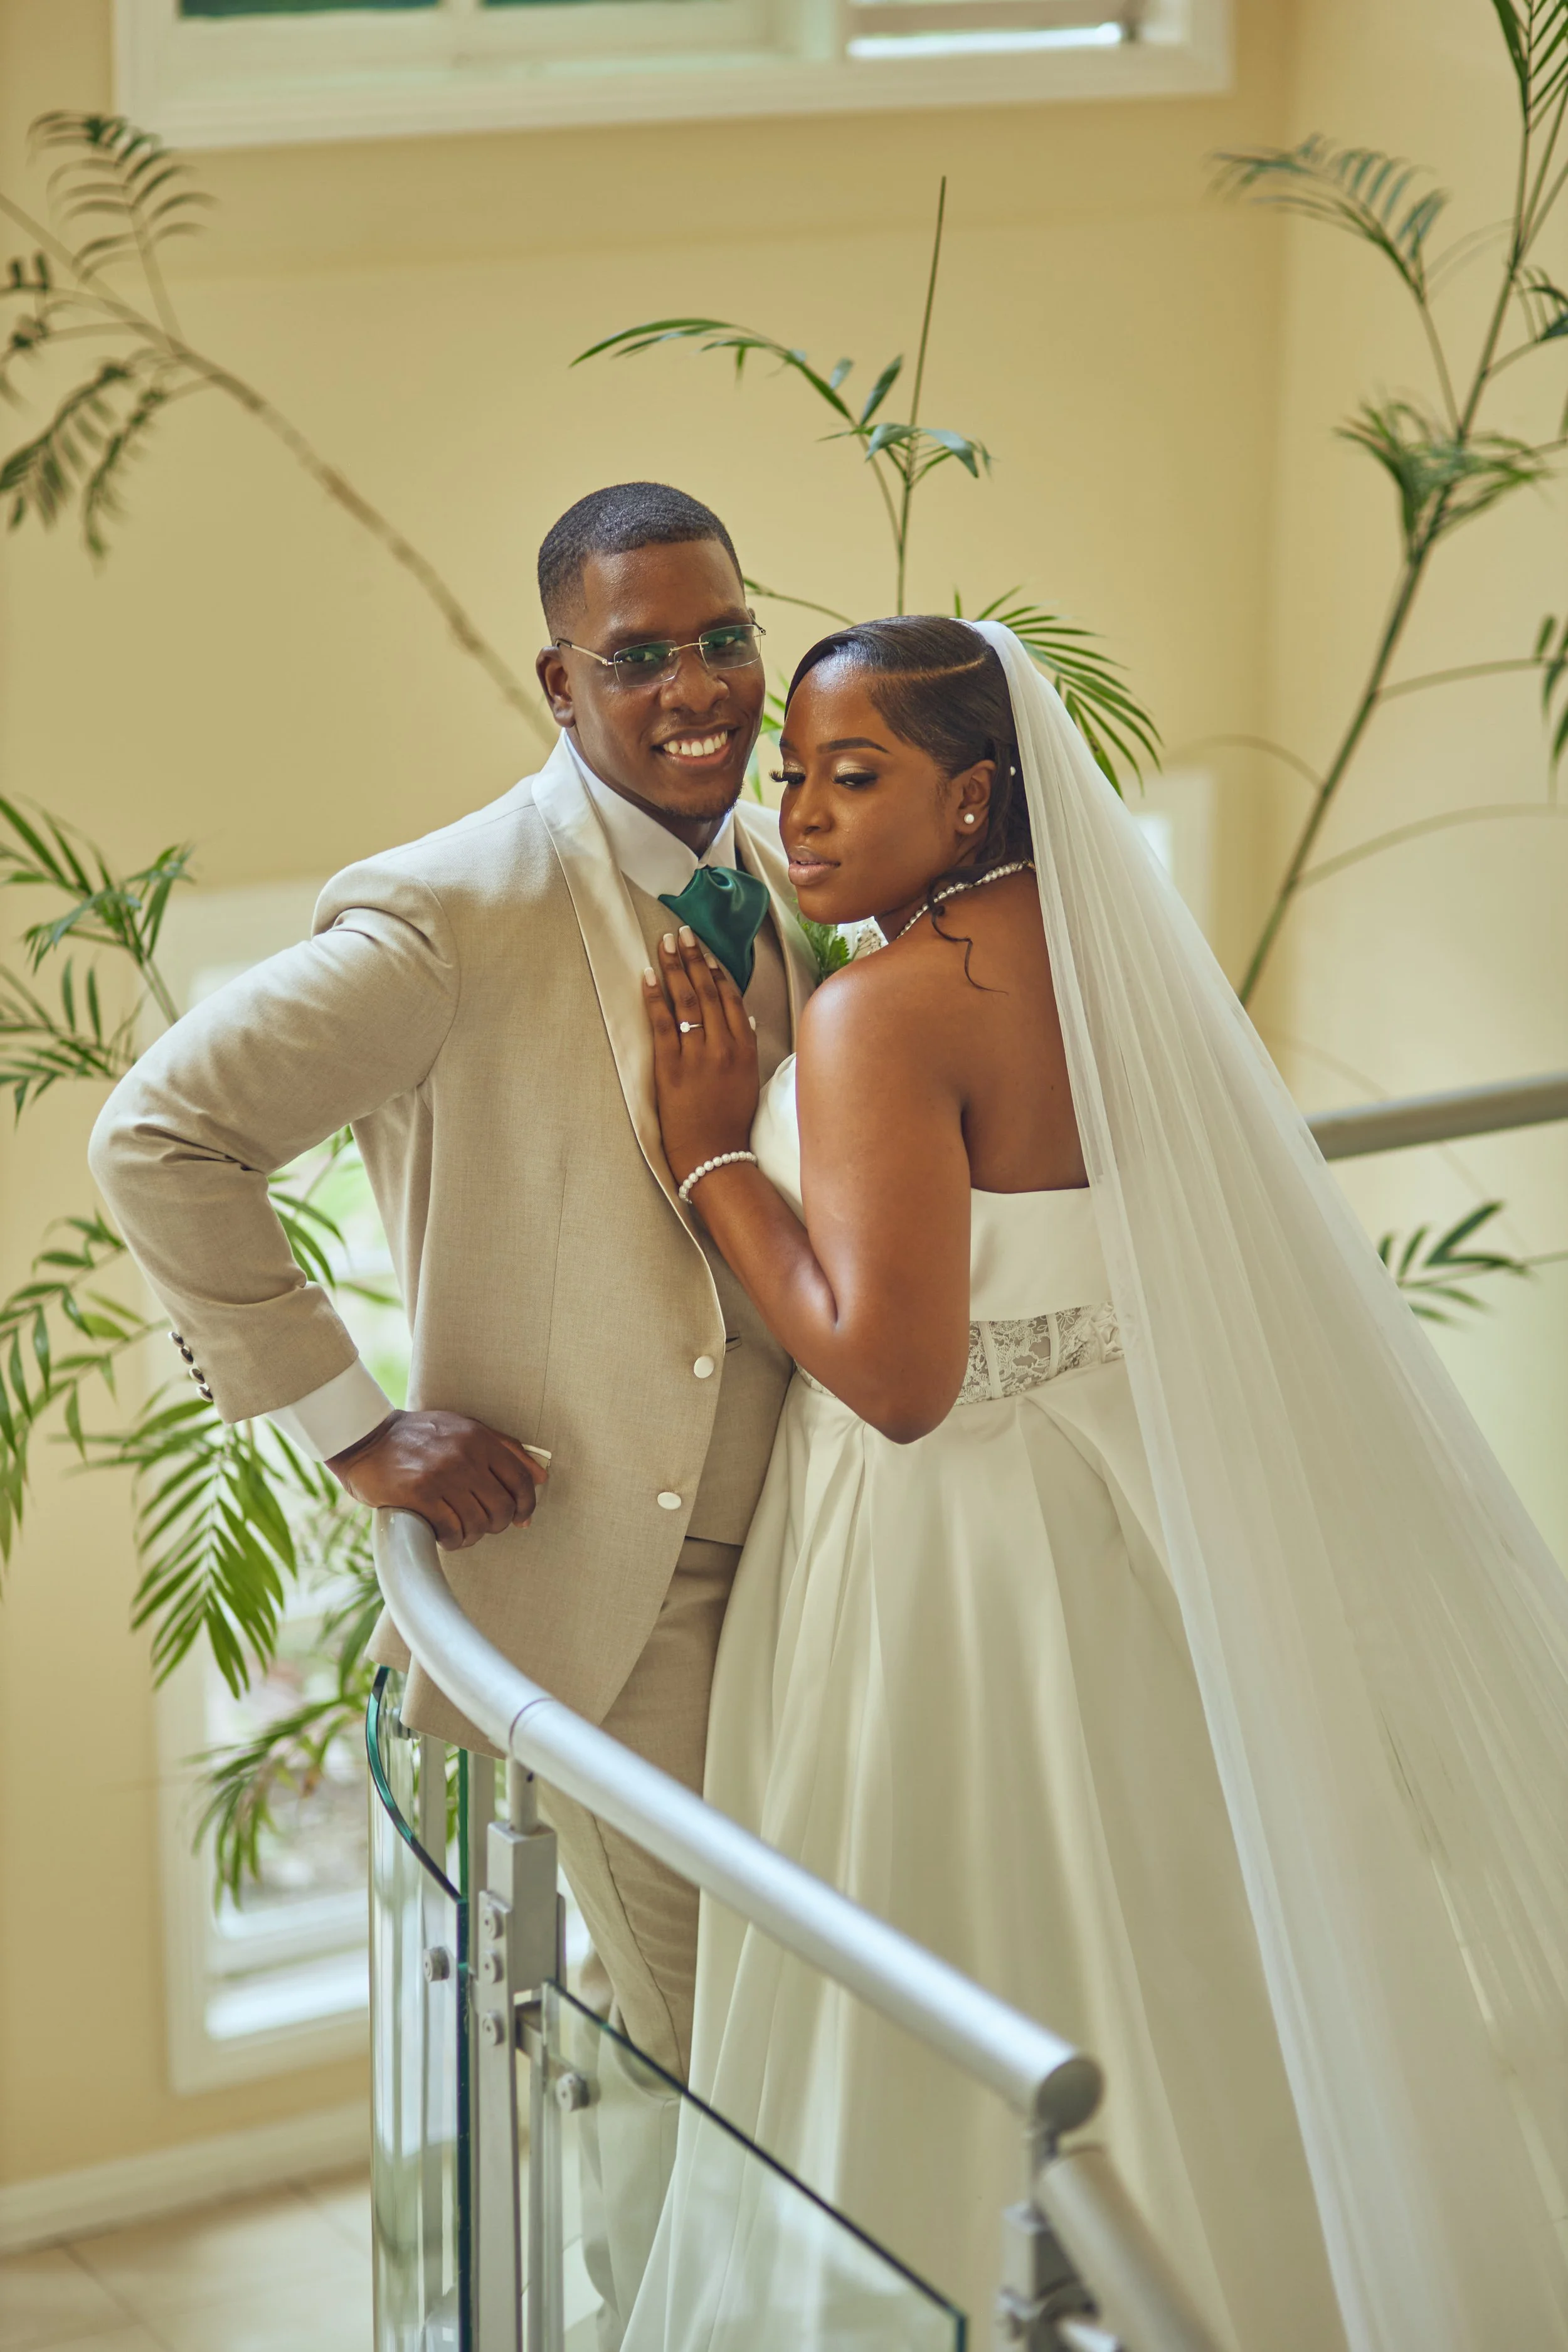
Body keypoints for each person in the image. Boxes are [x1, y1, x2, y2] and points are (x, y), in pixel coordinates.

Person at [627, 617, 1568, 2351]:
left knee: (948, 1958)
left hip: (948, 1555)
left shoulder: (875, 1015)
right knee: (1177, 1935)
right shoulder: (1108, 957)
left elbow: (895, 1378)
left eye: (855, 774)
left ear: (975, 792)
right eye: (793, 775)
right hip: (1142, 1515)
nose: (804, 815)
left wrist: (706, 1158)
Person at [88, 481, 817, 2087]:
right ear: (561, 684)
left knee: (791, 2045)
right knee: (724, 2065)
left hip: (825, 1555)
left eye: (722, 640)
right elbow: (159, 1138)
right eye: (637, 659)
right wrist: (354, 1430)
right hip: (618, 1595)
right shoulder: (452, 915)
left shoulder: (780, 868)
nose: (693, 690)